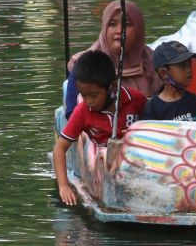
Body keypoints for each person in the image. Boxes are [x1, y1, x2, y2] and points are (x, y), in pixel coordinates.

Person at [52, 49, 147, 206]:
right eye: (83, 95)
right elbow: (59, 149)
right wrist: (63, 186)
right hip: (104, 168)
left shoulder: (136, 100)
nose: (88, 101)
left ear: (112, 87)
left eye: (93, 95)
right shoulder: (82, 111)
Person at [64, 0, 162, 119]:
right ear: (104, 28)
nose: (119, 31)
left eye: (127, 24)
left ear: (138, 29)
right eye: (112, 24)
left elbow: (164, 105)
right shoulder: (86, 63)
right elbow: (71, 112)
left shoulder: (152, 62)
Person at [141, 41, 196, 122]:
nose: (189, 70)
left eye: (189, 64)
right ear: (164, 73)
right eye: (182, 66)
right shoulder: (152, 108)